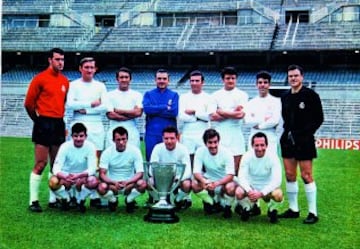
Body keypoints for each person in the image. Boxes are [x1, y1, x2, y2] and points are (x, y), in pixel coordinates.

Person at [24, 47, 69, 212]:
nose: (60, 62)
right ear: (50, 60)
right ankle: (33, 201)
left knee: (56, 165)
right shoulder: (39, 79)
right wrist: (38, 121)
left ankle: (53, 199)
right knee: (41, 163)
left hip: (58, 123)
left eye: (62, 60)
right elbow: (28, 104)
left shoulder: (65, 81)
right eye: (57, 59)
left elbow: (62, 103)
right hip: (43, 122)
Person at [278, 64, 324, 224]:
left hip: (304, 141)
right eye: (290, 76)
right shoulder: (284, 96)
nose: (293, 78)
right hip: (288, 140)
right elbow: (285, 118)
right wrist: (288, 135)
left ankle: (313, 212)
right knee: (290, 175)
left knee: (306, 176)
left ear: (302, 77)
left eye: (296, 75)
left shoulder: (311, 95)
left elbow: (319, 118)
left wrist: (304, 134)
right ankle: (293, 209)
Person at [49, 123, 98, 213]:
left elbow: (93, 168)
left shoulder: (90, 146)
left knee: (93, 181)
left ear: (86, 136)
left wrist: (79, 176)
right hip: (67, 176)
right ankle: (66, 199)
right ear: (71, 136)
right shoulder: (65, 146)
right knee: (53, 181)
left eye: (81, 136)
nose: (78, 139)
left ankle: (80, 200)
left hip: (82, 176)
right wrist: (65, 177)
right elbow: (55, 168)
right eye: (75, 136)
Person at [235, 132, 283, 223]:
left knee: (278, 194)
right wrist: (249, 190)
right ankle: (247, 208)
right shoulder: (247, 156)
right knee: (238, 192)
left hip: (267, 188)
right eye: (256, 145)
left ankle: (272, 210)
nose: (259, 148)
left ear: (267, 145)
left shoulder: (273, 157)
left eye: (262, 145)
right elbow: (241, 176)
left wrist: (261, 193)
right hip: (251, 187)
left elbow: (277, 180)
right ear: (252, 145)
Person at [66, 57, 108, 159]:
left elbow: (105, 106)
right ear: (80, 68)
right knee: (76, 157)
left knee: (96, 158)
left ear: (95, 69)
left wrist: (86, 110)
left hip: (96, 124)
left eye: (91, 67)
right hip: (78, 121)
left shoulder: (100, 86)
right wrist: (91, 104)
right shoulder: (73, 85)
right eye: (86, 67)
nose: (89, 70)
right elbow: (70, 104)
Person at [97, 126, 146, 213]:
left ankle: (129, 200)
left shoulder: (135, 151)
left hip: (129, 184)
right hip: (113, 185)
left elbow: (140, 173)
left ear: (127, 139)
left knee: (142, 184)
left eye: (124, 139)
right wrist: (113, 182)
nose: (121, 142)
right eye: (118, 140)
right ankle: (113, 200)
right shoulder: (107, 152)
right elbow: (102, 174)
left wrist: (127, 182)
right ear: (113, 140)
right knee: (101, 187)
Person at [210, 66, 248, 175]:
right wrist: (232, 112)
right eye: (228, 78)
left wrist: (221, 111)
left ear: (236, 79)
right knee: (220, 168)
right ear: (223, 80)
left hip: (236, 134)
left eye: (233, 78)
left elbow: (240, 114)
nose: (230, 80)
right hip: (220, 134)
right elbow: (213, 116)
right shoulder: (215, 95)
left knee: (236, 170)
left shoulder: (242, 95)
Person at [192, 128, 236, 218]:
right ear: (205, 143)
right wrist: (204, 181)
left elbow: (231, 175)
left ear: (218, 141)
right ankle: (210, 202)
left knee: (231, 187)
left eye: (215, 142)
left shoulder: (227, 152)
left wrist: (217, 183)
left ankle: (227, 207)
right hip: (208, 180)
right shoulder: (200, 151)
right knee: (194, 184)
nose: (213, 145)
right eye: (210, 142)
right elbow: (196, 172)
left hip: (224, 181)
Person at [149, 126, 192, 210]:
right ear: (162, 138)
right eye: (166, 138)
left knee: (187, 184)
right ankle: (158, 200)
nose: (169, 141)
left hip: (178, 178)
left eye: (172, 138)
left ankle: (178, 200)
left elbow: (188, 171)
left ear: (177, 138)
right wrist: (163, 178)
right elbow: (152, 169)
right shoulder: (157, 148)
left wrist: (178, 179)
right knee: (149, 182)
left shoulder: (183, 149)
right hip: (161, 178)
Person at [178, 70, 213, 168]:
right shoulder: (183, 97)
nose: (194, 83)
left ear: (202, 82)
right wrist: (199, 117)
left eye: (197, 81)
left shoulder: (209, 98)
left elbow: (209, 117)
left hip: (203, 135)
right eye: (192, 81)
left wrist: (194, 112)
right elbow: (181, 116)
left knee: (203, 163)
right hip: (188, 135)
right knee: (188, 163)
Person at [142, 69, 179, 161]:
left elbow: (174, 112)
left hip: (169, 134)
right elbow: (147, 110)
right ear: (155, 80)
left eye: (164, 79)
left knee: (170, 160)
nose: (161, 81)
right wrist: (165, 107)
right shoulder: (148, 94)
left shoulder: (174, 95)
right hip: (152, 133)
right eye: (159, 78)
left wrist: (155, 109)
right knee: (152, 160)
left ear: (168, 80)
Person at [244, 70, 281, 155]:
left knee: (270, 165)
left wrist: (259, 125)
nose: (262, 85)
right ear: (256, 84)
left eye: (265, 82)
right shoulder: (250, 102)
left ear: (269, 84)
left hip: (270, 137)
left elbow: (274, 120)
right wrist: (264, 119)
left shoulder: (276, 102)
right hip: (254, 136)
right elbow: (247, 121)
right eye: (260, 82)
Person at [105, 67, 143, 148]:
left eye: (126, 77)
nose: (124, 79)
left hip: (131, 130)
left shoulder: (137, 95)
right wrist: (130, 114)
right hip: (114, 130)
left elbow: (138, 112)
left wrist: (118, 111)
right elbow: (110, 115)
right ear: (117, 79)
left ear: (130, 79)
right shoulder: (109, 95)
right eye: (121, 77)